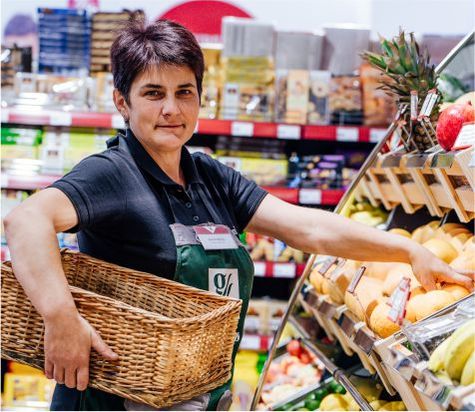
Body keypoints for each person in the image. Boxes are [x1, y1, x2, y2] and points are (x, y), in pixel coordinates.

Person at [4, 19, 473, 412]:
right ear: (122, 101)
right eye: (153, 93)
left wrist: (408, 250)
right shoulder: (112, 173)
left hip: (192, 397)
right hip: (112, 400)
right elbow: (25, 221)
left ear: (200, 98)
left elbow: (309, 227)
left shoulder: (207, 175)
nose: (171, 109)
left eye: (184, 92)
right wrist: (60, 318)